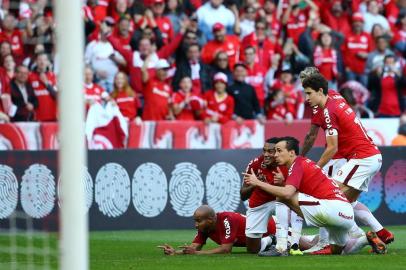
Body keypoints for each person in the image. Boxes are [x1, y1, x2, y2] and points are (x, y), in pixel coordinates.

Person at [243, 136, 384, 256]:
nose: (275, 155)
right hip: (345, 213)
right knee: (337, 250)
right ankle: (366, 238)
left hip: (331, 209)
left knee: (283, 196)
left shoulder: (297, 164)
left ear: (291, 153)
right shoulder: (304, 164)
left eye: (279, 151)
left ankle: (281, 246)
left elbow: (287, 193)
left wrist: (257, 183)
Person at [301, 73, 394, 251]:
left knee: (327, 196)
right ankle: (370, 235)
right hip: (370, 156)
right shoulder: (333, 95)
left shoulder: (328, 112)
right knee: (346, 203)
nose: (306, 98)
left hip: (361, 158)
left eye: (308, 93)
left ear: (320, 90)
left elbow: (332, 148)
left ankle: (326, 243)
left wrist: (314, 168)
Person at [240, 137, 296, 254]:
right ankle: (272, 239)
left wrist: (283, 183)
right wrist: (255, 184)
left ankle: (294, 239)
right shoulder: (255, 164)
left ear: (278, 152)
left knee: (287, 201)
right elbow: (243, 195)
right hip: (259, 204)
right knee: (252, 250)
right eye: (264, 151)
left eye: (270, 151)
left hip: (281, 202)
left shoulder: (288, 164)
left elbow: (297, 191)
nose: (266, 154)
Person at [158, 205, 276, 255]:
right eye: (195, 220)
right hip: (259, 238)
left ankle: (271, 240)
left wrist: (197, 253)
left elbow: (226, 249)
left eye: (198, 221)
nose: (196, 225)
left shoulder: (226, 220)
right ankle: (269, 242)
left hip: (275, 227)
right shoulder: (205, 228)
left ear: (210, 220)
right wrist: (175, 252)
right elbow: (193, 248)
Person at [28, 52, 58, 122]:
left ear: (48, 62)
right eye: (39, 59)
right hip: (36, 118)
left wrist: (46, 83)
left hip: (52, 117)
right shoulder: (30, 76)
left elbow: (57, 96)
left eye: (44, 60)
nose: (42, 62)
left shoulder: (53, 76)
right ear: (36, 62)